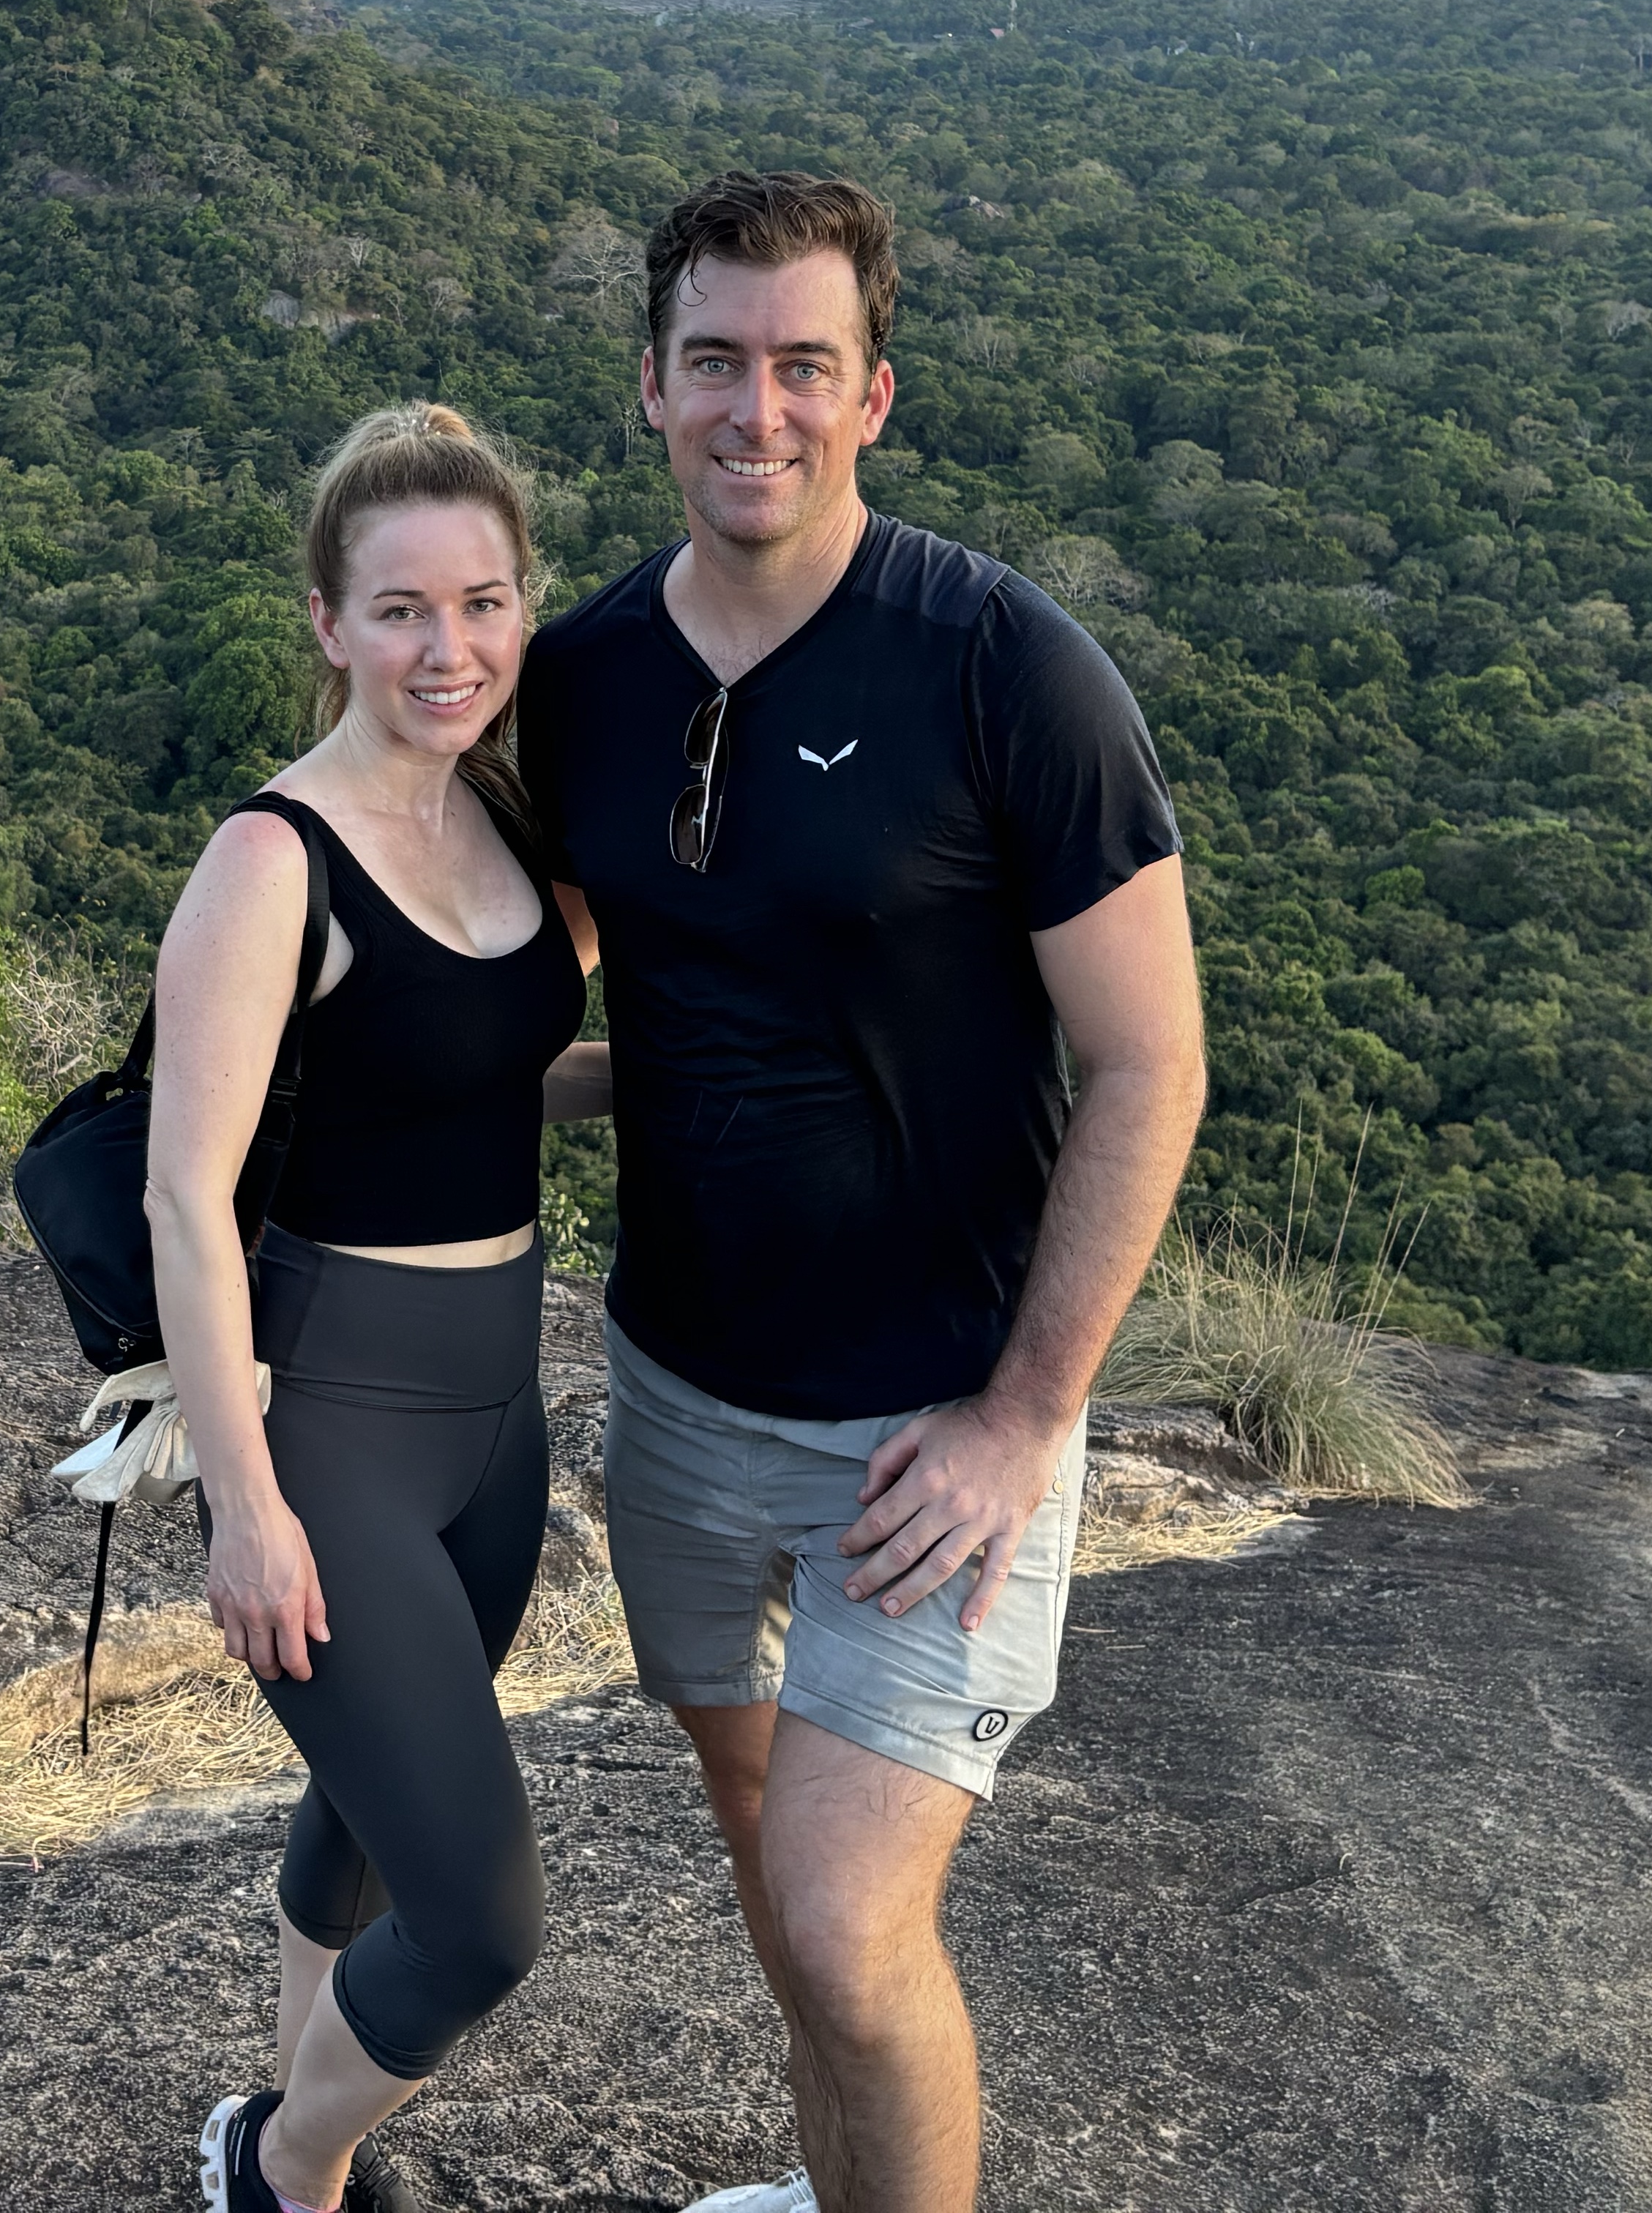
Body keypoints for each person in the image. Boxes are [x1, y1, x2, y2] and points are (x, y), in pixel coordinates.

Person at [520, 169, 1208, 2213]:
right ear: (650, 386)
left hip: (931, 1424)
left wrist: (1024, 1418)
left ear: (875, 392)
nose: (759, 409)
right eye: (716, 361)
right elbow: (568, 1006)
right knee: (765, 1849)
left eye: (803, 365)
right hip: (678, 1393)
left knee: (841, 1919)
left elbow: (1152, 1058)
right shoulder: (583, 682)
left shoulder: (1003, 667)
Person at [146, 403, 610, 2213]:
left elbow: (480, 1075)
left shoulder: (504, 836)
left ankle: (303, 2151)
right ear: (329, 621)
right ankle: (275, 2156)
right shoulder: (273, 862)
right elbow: (190, 1196)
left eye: (485, 605)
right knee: (482, 1915)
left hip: (496, 1419)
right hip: (332, 1421)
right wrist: (246, 1504)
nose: (451, 648)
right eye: (402, 609)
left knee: (364, 1812)